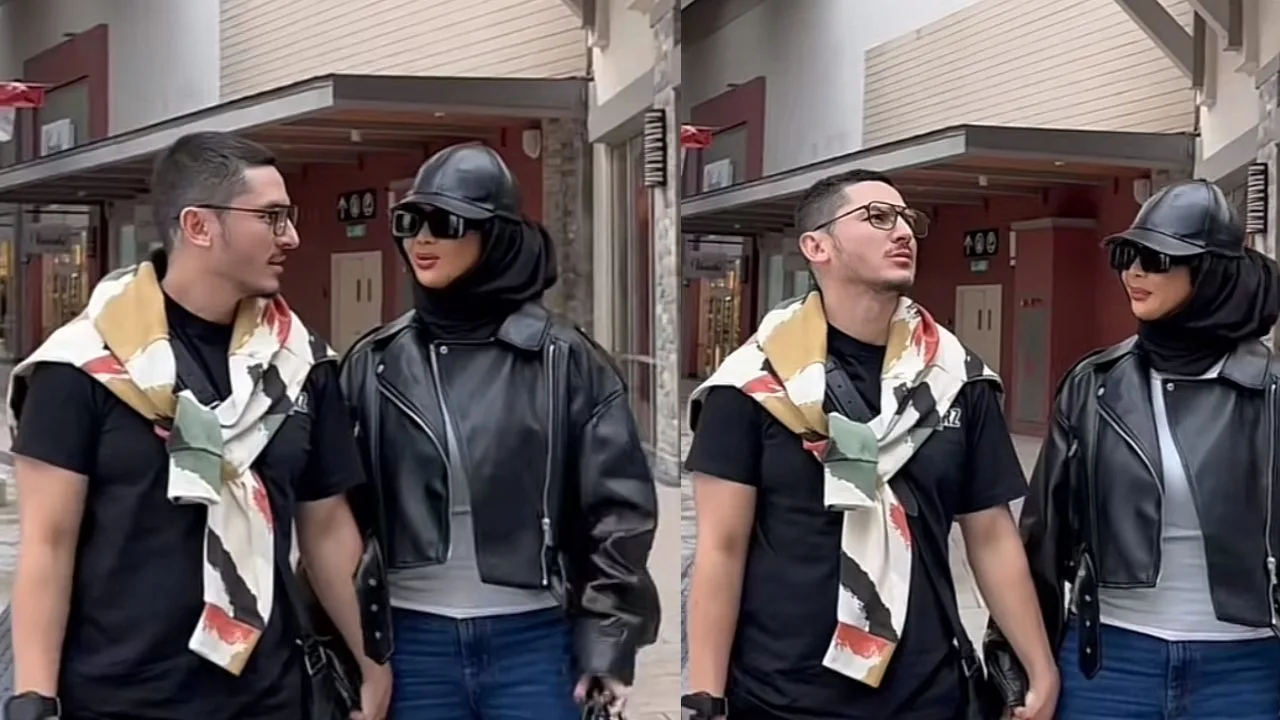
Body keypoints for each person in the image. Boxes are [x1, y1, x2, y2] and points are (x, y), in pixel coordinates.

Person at [2, 132, 392, 720]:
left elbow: (327, 526)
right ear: (199, 226)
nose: (291, 236)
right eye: (271, 217)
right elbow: (47, 546)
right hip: (115, 699)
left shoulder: (301, 365)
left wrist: (373, 662)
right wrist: (34, 698)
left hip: (271, 697)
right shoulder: (79, 367)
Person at [681, 168, 1058, 720]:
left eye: (907, 219)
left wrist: (1039, 667)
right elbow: (721, 549)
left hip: (930, 696)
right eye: (878, 218)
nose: (902, 231)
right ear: (817, 247)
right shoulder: (750, 386)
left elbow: (991, 536)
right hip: (781, 697)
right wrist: (704, 700)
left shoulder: (956, 379)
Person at [339, 143, 660, 719]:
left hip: (535, 641)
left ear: (497, 236)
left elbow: (620, 514)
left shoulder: (564, 359)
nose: (422, 239)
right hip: (408, 642)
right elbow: (334, 517)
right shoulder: (374, 362)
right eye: (409, 222)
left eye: (446, 222)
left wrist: (607, 641)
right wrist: (350, 649)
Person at [985, 180, 1280, 719]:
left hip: (1249, 666)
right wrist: (1019, 670)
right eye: (1126, 256)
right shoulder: (1095, 383)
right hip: (1110, 661)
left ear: (1211, 271)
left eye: (1156, 259)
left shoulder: (1271, 387)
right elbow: (1043, 540)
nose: (1134, 273)